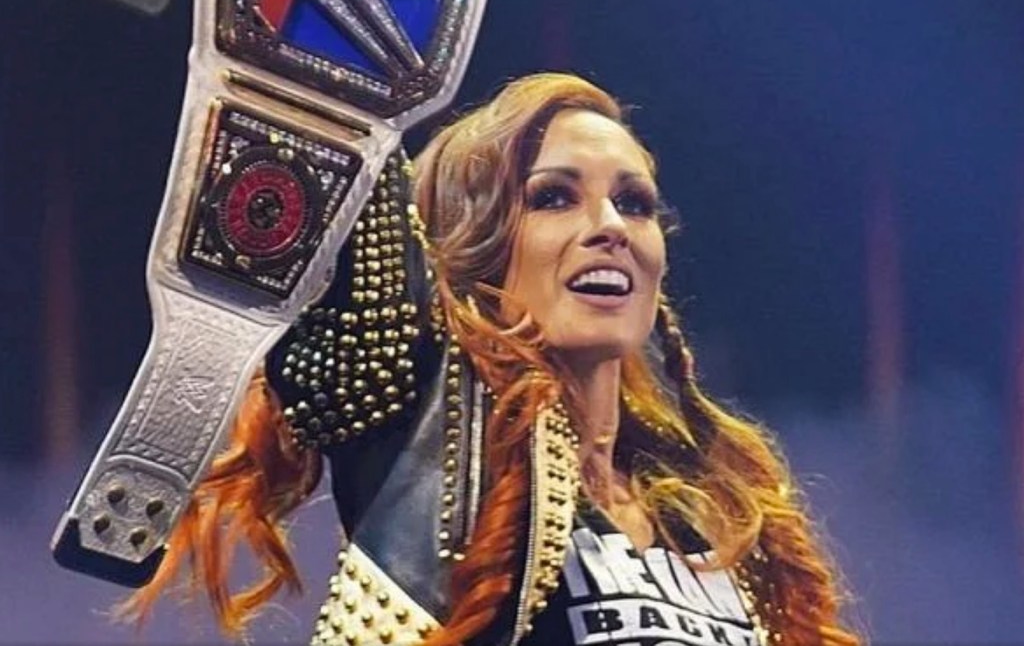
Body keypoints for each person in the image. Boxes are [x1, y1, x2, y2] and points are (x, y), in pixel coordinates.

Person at [123, 72, 860, 646]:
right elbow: (319, 139)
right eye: (553, 198)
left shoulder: (709, 511)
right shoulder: (433, 432)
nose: (609, 226)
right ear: (476, 248)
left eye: (634, 203)